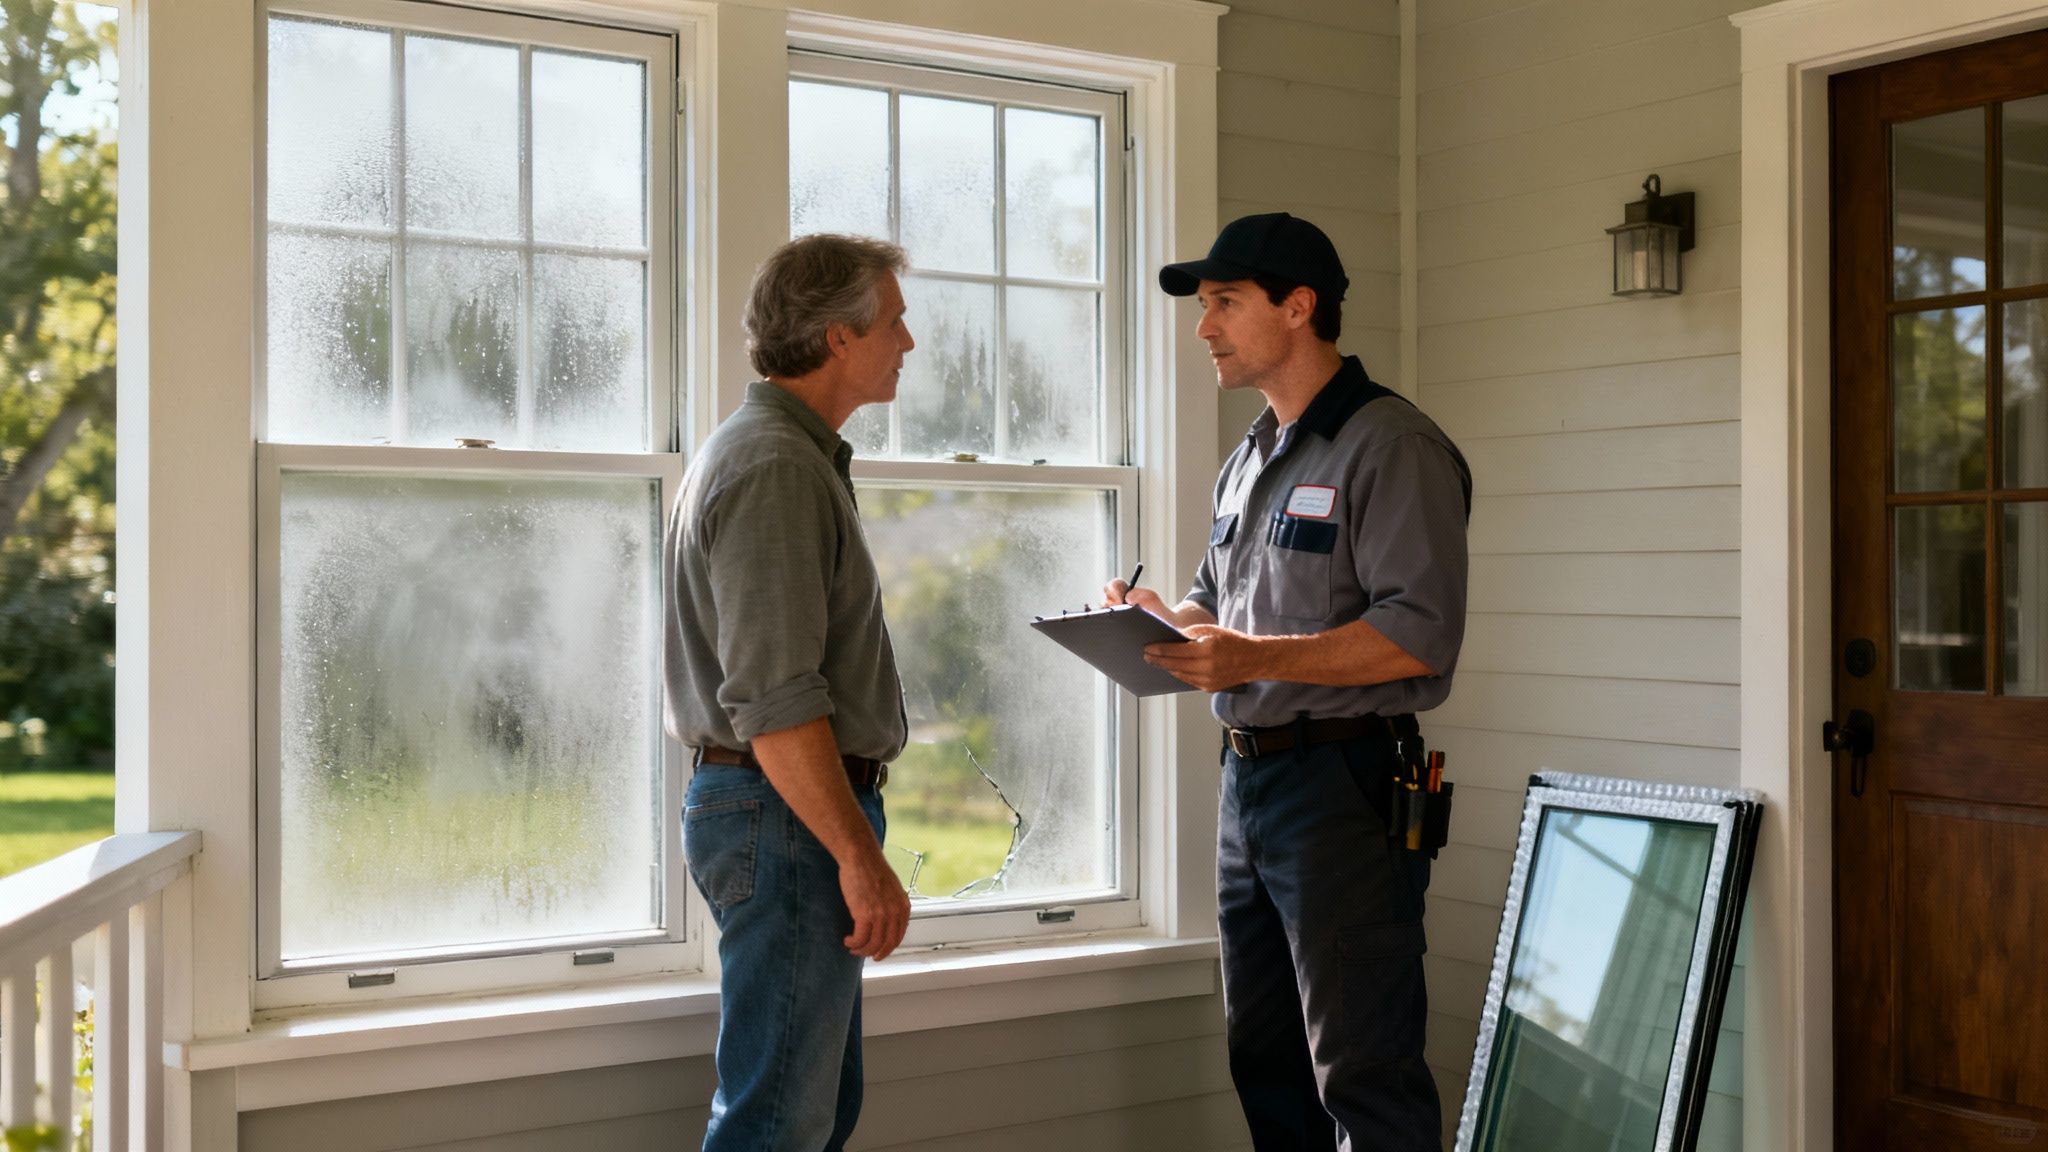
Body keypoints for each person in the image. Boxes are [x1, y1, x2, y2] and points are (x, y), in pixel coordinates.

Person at [1105, 212, 1471, 1152]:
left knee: (1363, 1072)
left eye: (1224, 302)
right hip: (1250, 788)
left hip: (1343, 792)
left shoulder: (1391, 446)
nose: (1204, 326)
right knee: (1265, 1060)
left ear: (1299, 307)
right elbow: (1211, 602)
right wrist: (1154, 618)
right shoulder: (1250, 459)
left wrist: (1256, 658)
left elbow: (1418, 636)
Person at [664, 232, 916, 1152]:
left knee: (806, 1113)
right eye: (893, 321)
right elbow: (775, 702)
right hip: (787, 815)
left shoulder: (785, 454)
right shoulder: (774, 467)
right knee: (776, 1125)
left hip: (781, 812)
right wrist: (857, 855)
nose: (908, 341)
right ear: (839, 337)